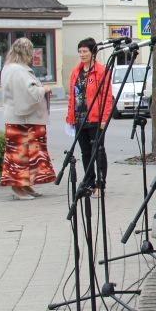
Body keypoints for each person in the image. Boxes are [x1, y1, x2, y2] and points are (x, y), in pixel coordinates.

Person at [0, 37, 56, 200]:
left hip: (18, 119)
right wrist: (43, 89)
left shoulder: (9, 68)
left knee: (22, 154)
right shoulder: (18, 70)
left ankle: (24, 184)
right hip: (23, 121)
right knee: (21, 155)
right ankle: (18, 186)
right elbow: (28, 93)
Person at [66, 38, 112, 196]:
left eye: (85, 51)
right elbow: (72, 96)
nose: (82, 54)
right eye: (79, 51)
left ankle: (100, 184)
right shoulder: (76, 72)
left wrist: (105, 118)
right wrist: (70, 117)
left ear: (93, 52)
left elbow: (107, 97)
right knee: (85, 153)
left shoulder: (101, 71)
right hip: (80, 119)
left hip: (95, 119)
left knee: (97, 151)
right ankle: (90, 182)